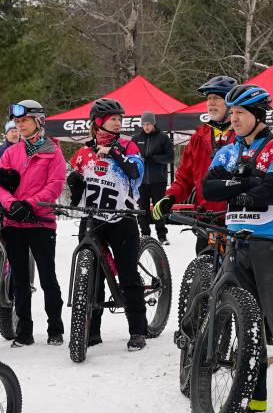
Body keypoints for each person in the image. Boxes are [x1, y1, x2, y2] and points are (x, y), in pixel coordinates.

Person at [202, 83, 273, 413]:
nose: (233, 119)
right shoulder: (227, 149)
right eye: (231, 113)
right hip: (236, 246)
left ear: (258, 116)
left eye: (239, 113)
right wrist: (245, 182)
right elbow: (209, 188)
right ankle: (256, 395)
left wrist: (238, 186)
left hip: (271, 246)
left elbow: (269, 192)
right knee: (246, 325)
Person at [65, 97, 149, 350]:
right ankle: (91, 331)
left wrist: (113, 152)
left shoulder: (128, 145)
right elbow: (71, 192)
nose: (118, 123)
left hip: (121, 219)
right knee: (93, 276)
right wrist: (73, 184)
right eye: (113, 119)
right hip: (92, 221)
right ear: (98, 123)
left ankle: (138, 330)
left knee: (128, 275)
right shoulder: (84, 152)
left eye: (120, 119)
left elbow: (136, 173)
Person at [0, 99, 67, 347]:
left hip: (41, 223)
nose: (20, 125)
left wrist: (30, 204)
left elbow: (54, 185)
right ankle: (24, 331)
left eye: (24, 120)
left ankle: (55, 327)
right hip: (15, 223)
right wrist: (12, 204)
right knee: (20, 279)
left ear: (38, 121)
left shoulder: (53, 151)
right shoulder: (11, 152)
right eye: (17, 121)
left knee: (47, 277)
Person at [152, 76, 236, 248]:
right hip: (206, 219)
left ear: (231, 102)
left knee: (236, 272)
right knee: (204, 270)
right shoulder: (199, 136)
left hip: (236, 219)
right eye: (209, 98)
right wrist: (171, 196)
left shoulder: (243, 134)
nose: (211, 103)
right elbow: (184, 177)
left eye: (217, 98)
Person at [133, 111, 174, 243]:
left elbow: (170, 157)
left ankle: (162, 235)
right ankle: (145, 235)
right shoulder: (136, 138)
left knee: (158, 208)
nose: (146, 127)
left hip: (158, 180)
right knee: (142, 209)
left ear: (154, 124)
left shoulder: (163, 138)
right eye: (144, 124)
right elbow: (130, 156)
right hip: (141, 181)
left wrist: (154, 159)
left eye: (149, 124)